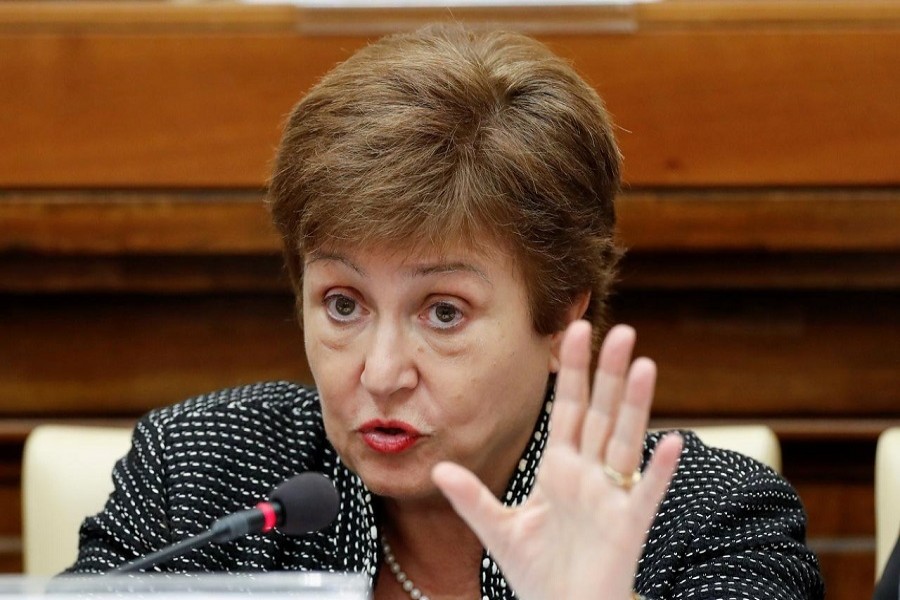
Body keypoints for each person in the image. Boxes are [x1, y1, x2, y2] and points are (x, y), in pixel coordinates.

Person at [67, 25, 824, 600]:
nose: (382, 373)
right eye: (343, 304)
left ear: (561, 321)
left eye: (444, 313)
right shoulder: (201, 476)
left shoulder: (710, 524)